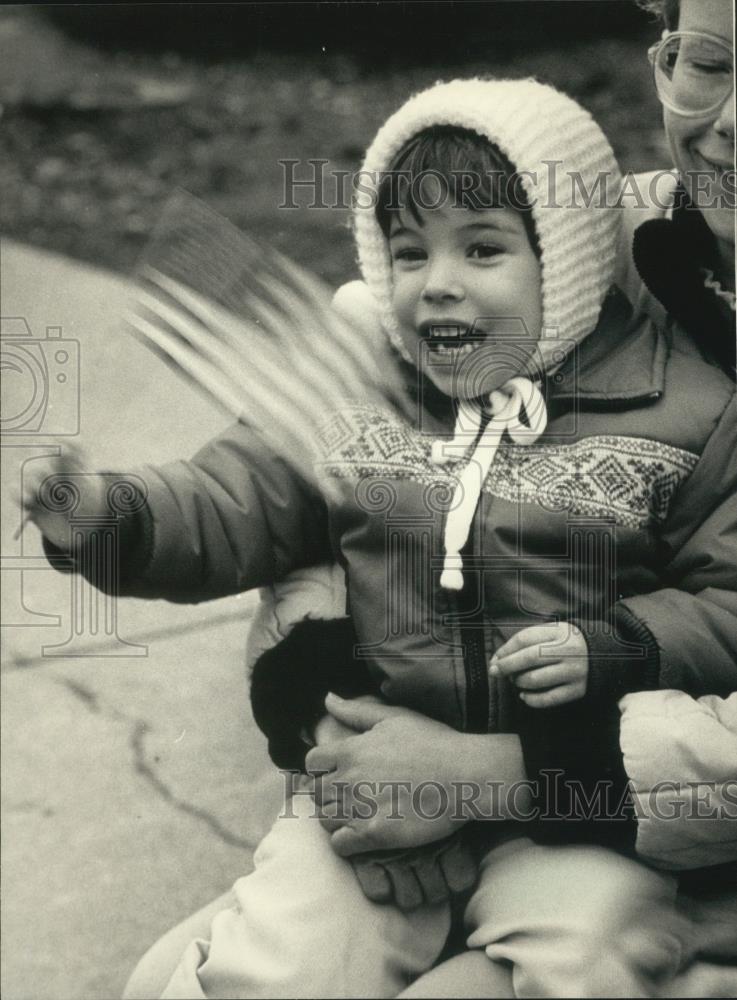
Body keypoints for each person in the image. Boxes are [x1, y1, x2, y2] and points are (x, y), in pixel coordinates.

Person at [27, 79, 734, 998]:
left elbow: (724, 602)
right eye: (406, 253)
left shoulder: (685, 412)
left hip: (581, 803)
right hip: (385, 776)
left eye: (482, 249)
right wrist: (103, 518)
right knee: (260, 966)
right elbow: (231, 497)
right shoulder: (361, 395)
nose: (435, 281)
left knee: (587, 955)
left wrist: (618, 643)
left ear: (566, 263)